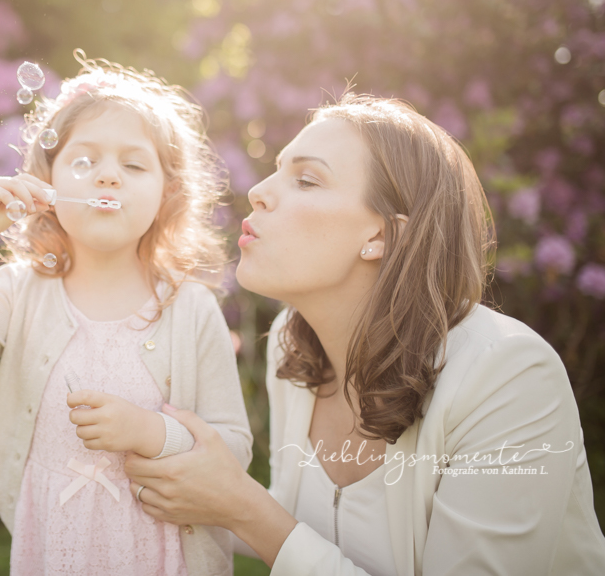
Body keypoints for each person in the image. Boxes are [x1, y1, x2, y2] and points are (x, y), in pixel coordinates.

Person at [124, 93, 605, 575]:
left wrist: (242, 507)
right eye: (276, 169)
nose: (260, 192)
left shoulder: (508, 376)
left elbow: (269, 524)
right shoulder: (293, 348)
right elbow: (315, 534)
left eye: (307, 180)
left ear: (383, 236)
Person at [0, 53, 252, 576]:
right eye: (85, 161)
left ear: (166, 193)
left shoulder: (190, 308)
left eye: (133, 164)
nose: (108, 176)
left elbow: (232, 450)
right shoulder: (20, 291)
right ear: (48, 184)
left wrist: (150, 433)